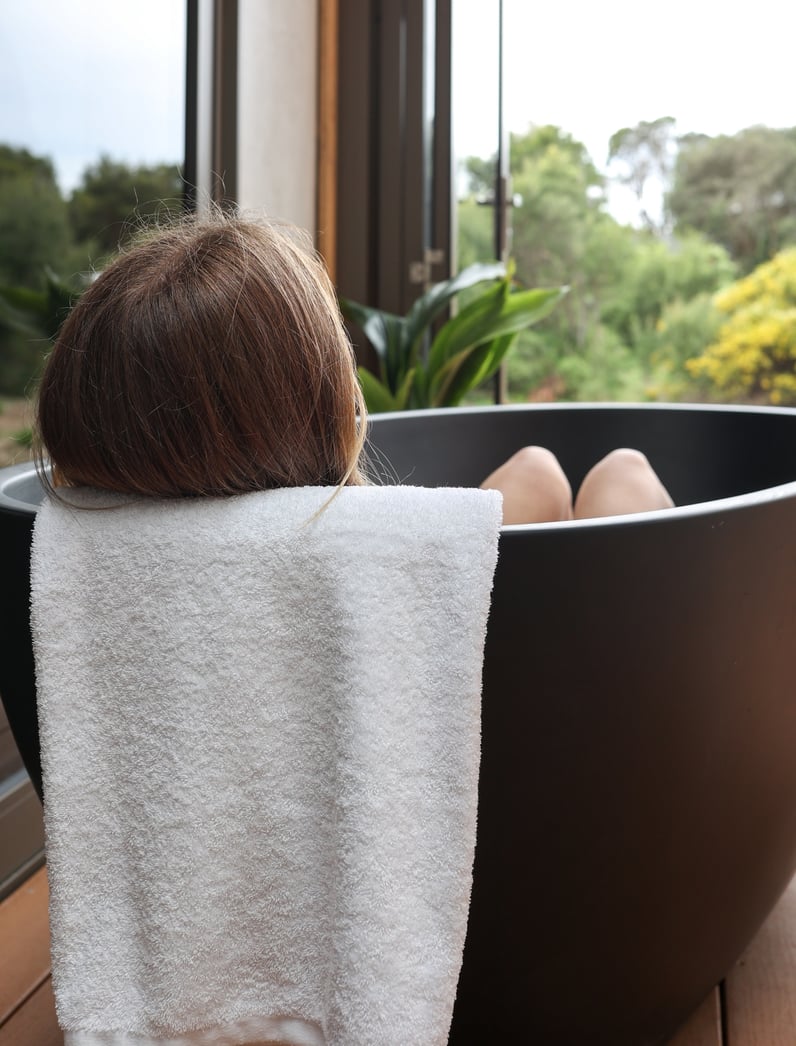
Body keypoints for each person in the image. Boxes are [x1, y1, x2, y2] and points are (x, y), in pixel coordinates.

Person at [37, 211, 673, 522]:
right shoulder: (368, 565)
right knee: (618, 476)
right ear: (331, 405)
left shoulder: (79, 554)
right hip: (516, 738)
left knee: (543, 469)